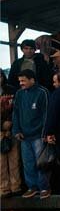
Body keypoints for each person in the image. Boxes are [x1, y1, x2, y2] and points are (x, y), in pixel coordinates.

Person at [12, 69, 51, 199]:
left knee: (41, 163)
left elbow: (46, 114)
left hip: (39, 135)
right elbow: (15, 113)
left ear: (32, 79)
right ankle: (32, 187)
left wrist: (45, 133)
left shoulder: (42, 92)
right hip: (24, 135)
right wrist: (16, 130)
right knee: (28, 163)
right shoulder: (19, 94)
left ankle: (44, 187)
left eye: (23, 80)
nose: (21, 83)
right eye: (20, 81)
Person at [0, 69, 21, 198]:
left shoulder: (11, 90)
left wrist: (11, 124)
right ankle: (4, 188)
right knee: (1, 162)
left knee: (15, 159)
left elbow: (17, 109)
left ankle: (16, 186)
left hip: (12, 128)